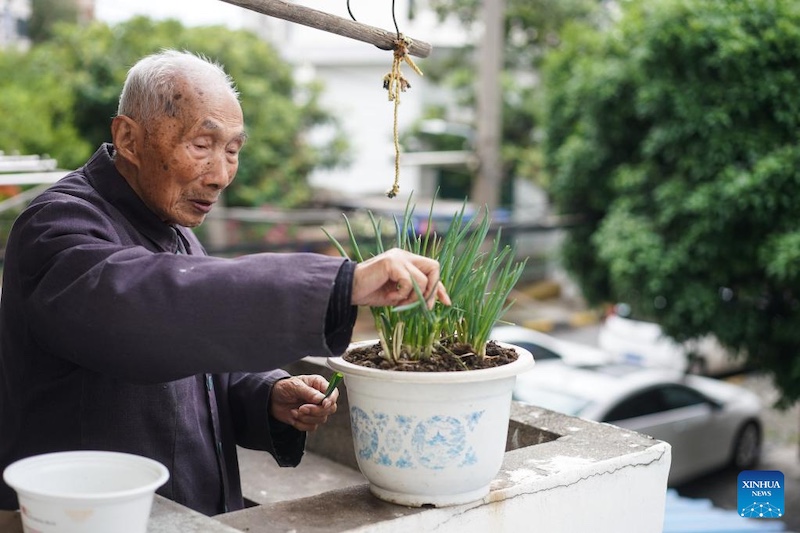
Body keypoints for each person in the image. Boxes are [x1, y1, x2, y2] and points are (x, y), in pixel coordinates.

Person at [0, 50, 450, 516]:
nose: (220, 176)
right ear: (129, 138)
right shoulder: (55, 227)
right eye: (201, 145)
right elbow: (150, 311)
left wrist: (267, 396)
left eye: (232, 151)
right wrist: (343, 283)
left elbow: (197, 367)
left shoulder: (176, 234)